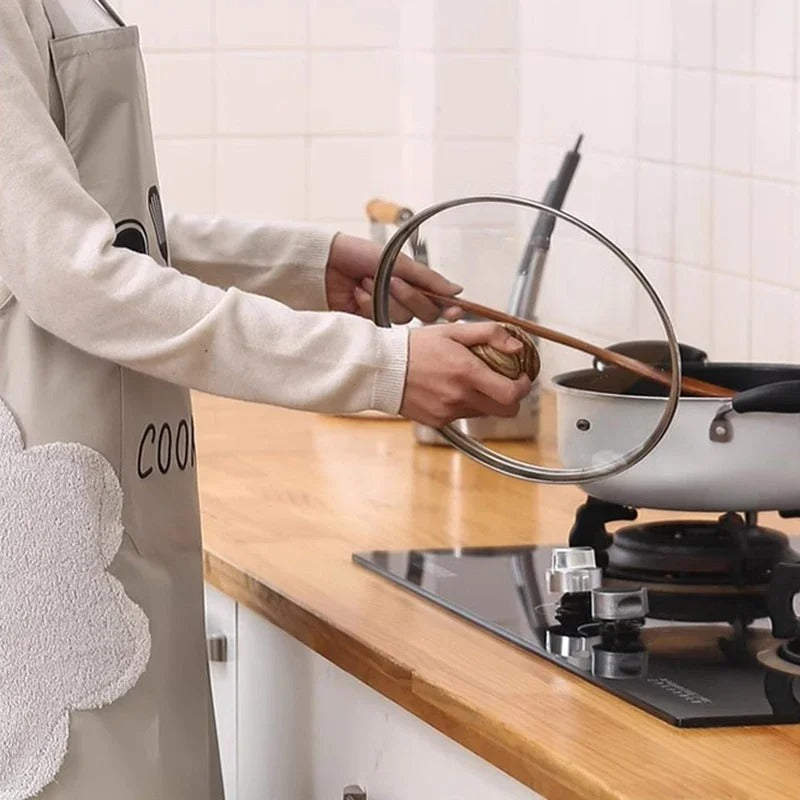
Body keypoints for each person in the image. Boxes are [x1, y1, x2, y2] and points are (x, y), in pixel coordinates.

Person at [0, 1, 532, 798]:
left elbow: (97, 230)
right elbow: (67, 273)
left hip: (120, 504)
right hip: (52, 558)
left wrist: (302, 264)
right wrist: (377, 368)